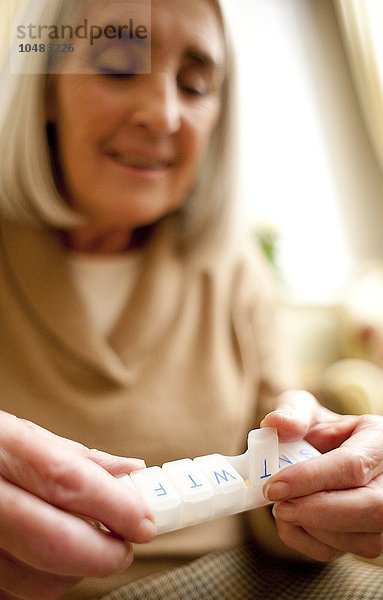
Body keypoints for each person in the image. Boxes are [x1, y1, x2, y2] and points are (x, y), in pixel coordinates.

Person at [0, 1, 383, 599]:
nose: (163, 114)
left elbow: (273, 502)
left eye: (196, 83)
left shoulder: (234, 270)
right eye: (118, 65)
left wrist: (323, 494)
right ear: (47, 90)